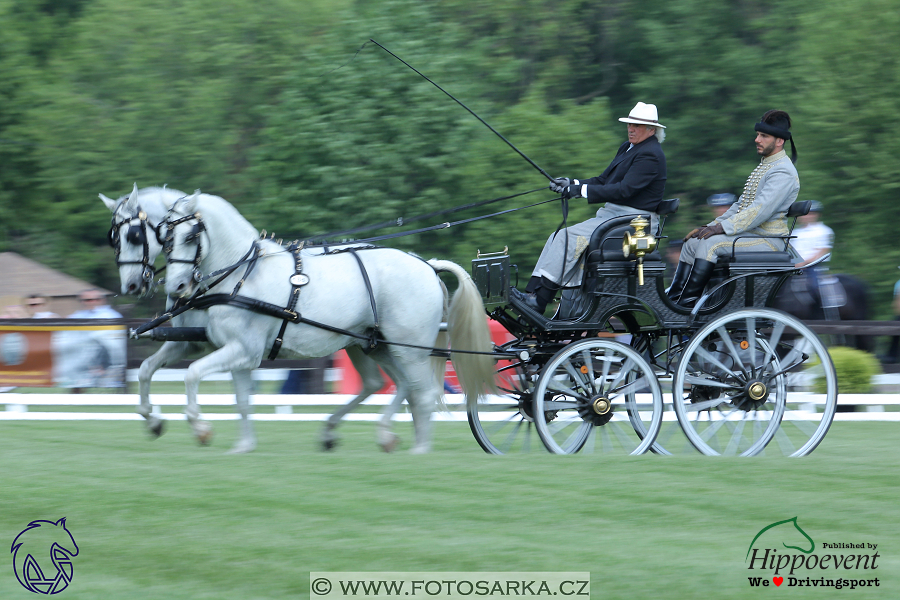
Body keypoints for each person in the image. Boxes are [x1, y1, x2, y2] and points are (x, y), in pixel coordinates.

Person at [511, 102, 667, 314]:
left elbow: (624, 190)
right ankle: (534, 293)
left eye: (637, 125)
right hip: (613, 216)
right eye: (630, 124)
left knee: (569, 237)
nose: (631, 128)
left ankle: (540, 301)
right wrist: (571, 183)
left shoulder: (650, 154)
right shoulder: (627, 148)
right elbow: (603, 180)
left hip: (634, 223)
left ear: (652, 130)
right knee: (557, 236)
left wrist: (580, 191)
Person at [668, 109, 800, 308]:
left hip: (768, 239)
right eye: (758, 135)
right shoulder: (766, 166)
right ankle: (675, 300)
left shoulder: (783, 171)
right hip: (751, 235)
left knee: (709, 244)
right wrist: (710, 226)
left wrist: (720, 229)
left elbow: (759, 211)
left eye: (763, 136)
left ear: (780, 141)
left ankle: (687, 304)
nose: (757, 139)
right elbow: (740, 206)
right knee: (693, 242)